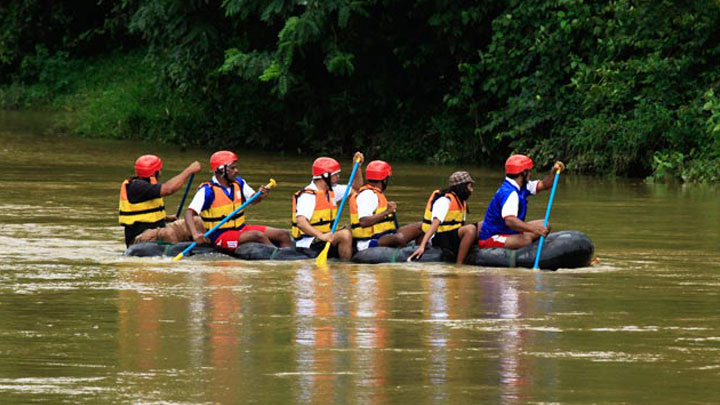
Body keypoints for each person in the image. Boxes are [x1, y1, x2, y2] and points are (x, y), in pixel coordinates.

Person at [185, 150, 291, 251]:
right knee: (257, 236)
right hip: (219, 236)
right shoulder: (207, 191)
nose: (236, 171)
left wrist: (261, 195)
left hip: (241, 228)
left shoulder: (239, 183)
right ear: (222, 170)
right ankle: (278, 258)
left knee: (283, 234)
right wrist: (195, 234)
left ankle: (289, 258)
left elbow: (254, 201)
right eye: (232, 168)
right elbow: (189, 213)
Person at [477, 154, 565, 249]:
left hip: (509, 231)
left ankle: (527, 238)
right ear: (523, 173)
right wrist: (534, 230)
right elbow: (510, 221)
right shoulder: (510, 193)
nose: (530, 174)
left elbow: (545, 185)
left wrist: (554, 172)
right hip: (493, 236)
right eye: (529, 171)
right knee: (525, 240)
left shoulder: (522, 186)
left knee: (545, 224)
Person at [291, 152, 365, 260]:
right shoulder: (308, 195)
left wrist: (356, 167)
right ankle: (346, 267)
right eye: (335, 174)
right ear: (325, 176)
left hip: (326, 236)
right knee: (345, 234)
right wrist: (321, 236)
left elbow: (356, 189)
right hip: (309, 242)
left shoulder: (332, 190)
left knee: (352, 229)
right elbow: (301, 223)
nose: (338, 176)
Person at [119, 154, 201, 247]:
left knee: (197, 222)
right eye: (160, 170)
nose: (161, 173)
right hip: (139, 238)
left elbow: (145, 214)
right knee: (168, 233)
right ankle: (175, 253)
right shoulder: (137, 186)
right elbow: (169, 189)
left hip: (157, 230)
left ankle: (208, 243)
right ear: (154, 173)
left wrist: (166, 218)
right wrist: (189, 170)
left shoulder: (148, 185)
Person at [348, 160, 422, 251]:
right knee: (397, 238)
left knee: (422, 226)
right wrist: (387, 211)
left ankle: (420, 251)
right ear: (384, 180)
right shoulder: (367, 195)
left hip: (384, 234)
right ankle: (404, 254)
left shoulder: (375, 193)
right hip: (369, 242)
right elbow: (363, 222)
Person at [408, 171, 477, 264]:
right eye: (470, 187)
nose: (471, 190)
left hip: (451, 236)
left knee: (480, 225)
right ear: (462, 187)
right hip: (439, 238)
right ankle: (459, 264)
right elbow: (434, 225)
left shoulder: (460, 201)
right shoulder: (444, 201)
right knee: (470, 229)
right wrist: (422, 246)